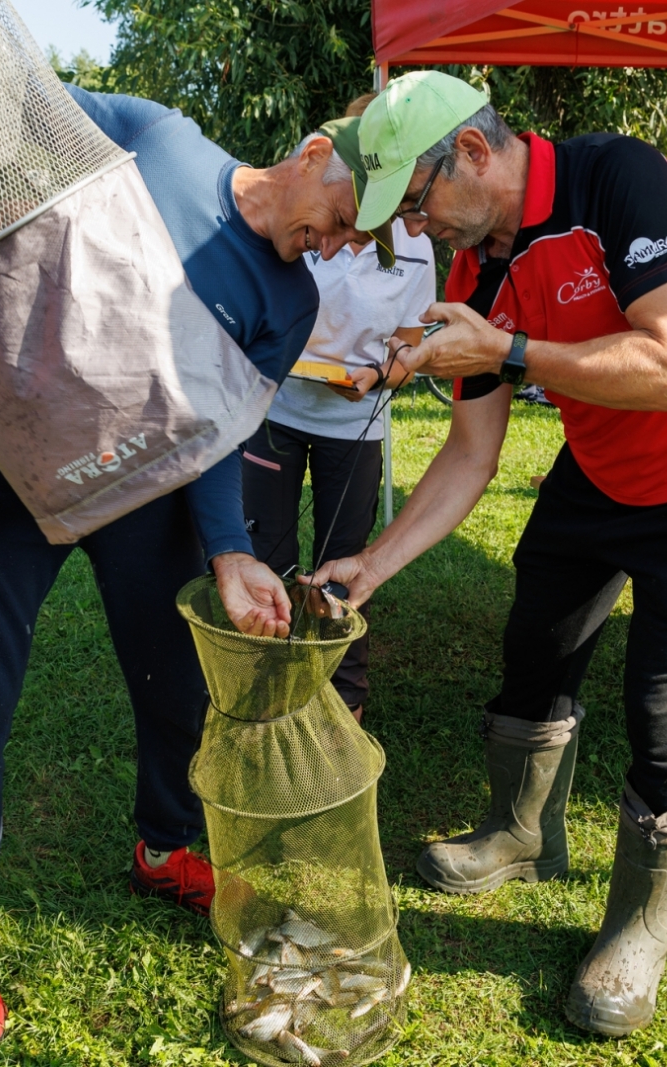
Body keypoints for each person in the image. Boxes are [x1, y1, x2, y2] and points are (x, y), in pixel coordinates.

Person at [310, 71, 667, 1038]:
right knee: (534, 641)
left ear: (473, 153)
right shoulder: (475, 268)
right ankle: (522, 832)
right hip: (601, 473)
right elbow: (473, 453)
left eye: (420, 201)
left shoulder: (619, 180)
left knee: (661, 704)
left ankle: (640, 927)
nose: (418, 229)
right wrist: (373, 564)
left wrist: (512, 350)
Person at [0, 85, 369, 1048]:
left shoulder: (291, 299)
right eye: (337, 221)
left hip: (144, 494)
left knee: (174, 689)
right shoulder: (157, 139)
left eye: (352, 240)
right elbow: (17, 95)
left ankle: (163, 845)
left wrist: (230, 549)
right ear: (315, 153)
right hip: (12, 462)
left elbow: (218, 429)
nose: (333, 246)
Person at [243, 98, 435, 723]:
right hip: (277, 408)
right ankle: (263, 688)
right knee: (265, 551)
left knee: (340, 567)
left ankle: (343, 700)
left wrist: (382, 373)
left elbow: (413, 341)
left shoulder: (416, 242)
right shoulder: (310, 211)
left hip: (355, 422)